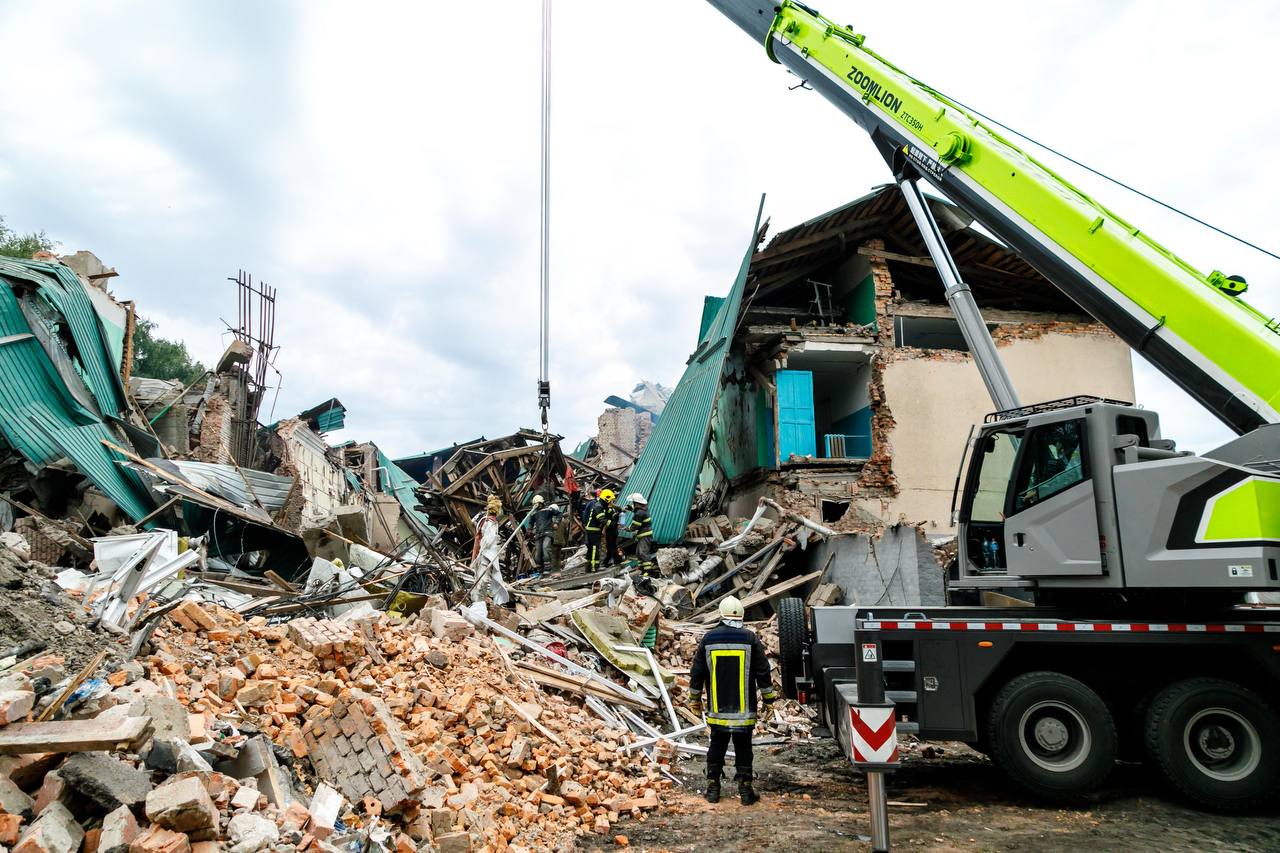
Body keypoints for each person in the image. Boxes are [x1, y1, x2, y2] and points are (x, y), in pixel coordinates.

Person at [687, 595, 777, 805]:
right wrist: (769, 700)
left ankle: (713, 789)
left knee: (716, 746)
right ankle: (745, 791)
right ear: (741, 616)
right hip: (744, 711)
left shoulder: (709, 639)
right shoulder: (750, 638)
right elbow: (763, 671)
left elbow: (697, 673)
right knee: (743, 747)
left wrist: (694, 700)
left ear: (720, 613)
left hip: (718, 711)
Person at [470, 495, 511, 607]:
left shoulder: (493, 523)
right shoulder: (485, 521)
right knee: (482, 579)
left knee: (487, 579)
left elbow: (481, 539)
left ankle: (480, 602)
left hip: (492, 555)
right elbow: (478, 539)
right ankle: (478, 603)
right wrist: (474, 558)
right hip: (485, 555)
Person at [527, 495, 563, 576]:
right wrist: (529, 529)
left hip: (548, 533)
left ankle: (548, 569)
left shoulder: (548, 509)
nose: (537, 506)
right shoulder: (534, 512)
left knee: (546, 548)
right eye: (535, 504)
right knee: (537, 555)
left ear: (541, 502)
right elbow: (530, 522)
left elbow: (559, 514)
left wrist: (556, 522)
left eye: (538, 504)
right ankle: (541, 570)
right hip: (538, 534)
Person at [585, 489, 619, 572]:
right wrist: (614, 524)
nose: (611, 502)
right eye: (610, 500)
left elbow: (611, 514)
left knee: (592, 548)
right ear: (606, 498)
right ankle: (594, 567)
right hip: (593, 530)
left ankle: (589, 567)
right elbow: (602, 520)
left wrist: (618, 514)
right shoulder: (598, 506)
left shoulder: (603, 506)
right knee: (594, 548)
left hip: (594, 530)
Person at [626, 493, 655, 577]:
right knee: (638, 553)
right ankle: (641, 569)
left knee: (643, 553)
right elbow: (637, 511)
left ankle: (648, 572)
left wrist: (627, 528)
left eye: (633, 503)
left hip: (645, 535)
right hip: (644, 535)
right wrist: (630, 508)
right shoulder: (643, 509)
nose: (633, 504)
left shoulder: (639, 513)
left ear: (636, 503)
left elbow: (635, 526)